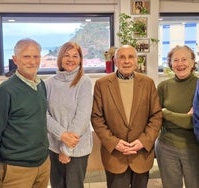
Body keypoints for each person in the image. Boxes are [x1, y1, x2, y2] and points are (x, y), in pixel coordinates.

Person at [91, 44, 162, 188]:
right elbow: (97, 118)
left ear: (137, 61)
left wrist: (143, 141)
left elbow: (156, 116)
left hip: (141, 154)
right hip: (115, 156)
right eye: (121, 57)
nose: (126, 61)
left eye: (131, 57)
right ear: (115, 61)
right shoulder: (102, 84)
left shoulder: (148, 83)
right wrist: (114, 142)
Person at [0, 38, 50, 188]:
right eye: (26, 56)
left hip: (43, 163)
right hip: (17, 168)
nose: (32, 62)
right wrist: (1, 163)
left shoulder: (41, 85)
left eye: (36, 56)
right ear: (15, 59)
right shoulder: (5, 92)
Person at [45, 41, 93, 188]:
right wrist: (62, 136)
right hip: (54, 146)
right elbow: (44, 115)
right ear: (60, 58)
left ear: (80, 60)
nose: (70, 59)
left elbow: (82, 117)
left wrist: (66, 149)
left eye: (75, 56)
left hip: (77, 149)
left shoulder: (84, 82)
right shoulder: (48, 83)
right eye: (66, 55)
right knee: (57, 185)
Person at [156, 45, 199, 188]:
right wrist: (184, 118)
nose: (180, 64)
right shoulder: (163, 87)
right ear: (170, 64)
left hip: (194, 148)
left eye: (184, 59)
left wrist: (166, 113)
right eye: (175, 60)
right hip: (166, 147)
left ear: (193, 62)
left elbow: (194, 122)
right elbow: (156, 117)